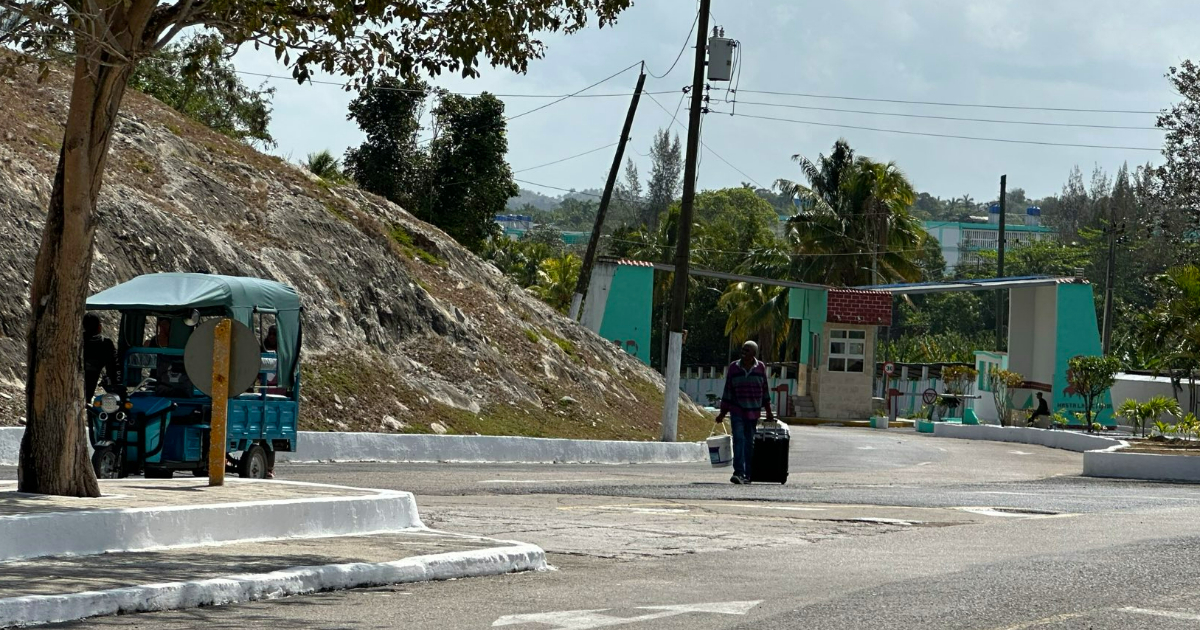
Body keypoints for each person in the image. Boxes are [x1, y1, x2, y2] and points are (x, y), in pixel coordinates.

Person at [714, 340, 774, 485]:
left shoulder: (760, 367)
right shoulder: (734, 367)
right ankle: (738, 473)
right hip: (737, 410)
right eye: (743, 349)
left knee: (749, 442)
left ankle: (748, 474)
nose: (743, 352)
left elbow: (764, 391)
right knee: (738, 439)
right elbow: (728, 391)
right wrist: (722, 413)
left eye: (747, 350)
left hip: (753, 412)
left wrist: (769, 412)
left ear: (754, 353)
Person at [82, 313, 121, 400]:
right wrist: (116, 387)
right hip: (88, 391)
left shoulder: (76, 341)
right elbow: (114, 367)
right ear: (99, 327)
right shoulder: (105, 344)